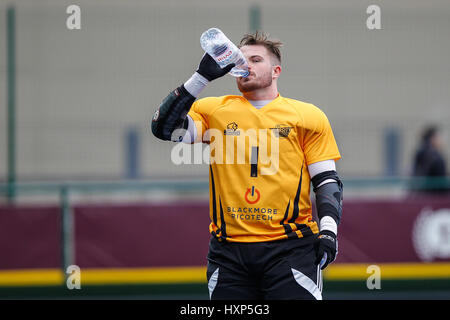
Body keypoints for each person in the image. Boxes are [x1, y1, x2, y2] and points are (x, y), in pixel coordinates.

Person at [151, 32, 343, 300]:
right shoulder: (213, 110)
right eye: (241, 59)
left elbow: (326, 181)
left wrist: (329, 232)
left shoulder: (307, 116)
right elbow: (164, 128)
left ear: (276, 70)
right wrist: (201, 77)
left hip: (289, 248)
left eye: (256, 59)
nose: (246, 65)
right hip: (229, 253)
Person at [412, 125, 448, 194]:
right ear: (433, 138)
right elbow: (439, 176)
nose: (442, 140)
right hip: (432, 194)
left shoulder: (423, 151)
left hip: (424, 193)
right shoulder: (432, 154)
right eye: (440, 137)